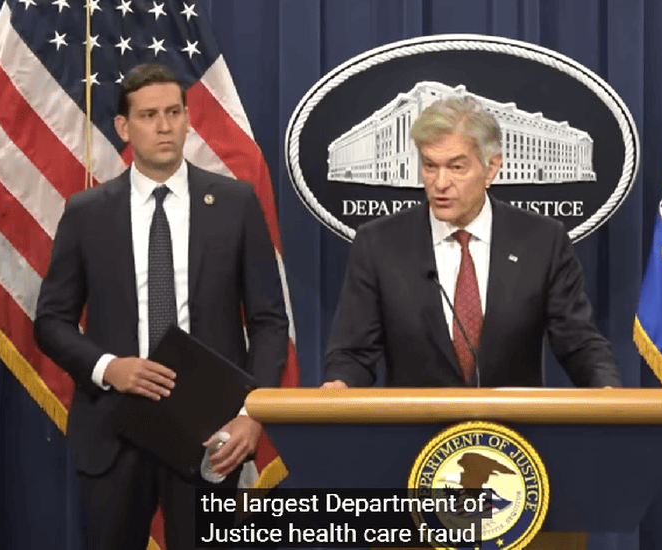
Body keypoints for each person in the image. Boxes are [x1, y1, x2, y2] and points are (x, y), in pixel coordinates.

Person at [33, 63, 288, 550]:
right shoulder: (87, 212)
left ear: (189, 118)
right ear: (124, 128)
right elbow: (51, 321)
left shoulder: (235, 203)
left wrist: (252, 414)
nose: (165, 125)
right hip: (114, 426)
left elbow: (270, 321)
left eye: (174, 112)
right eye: (149, 115)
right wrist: (110, 368)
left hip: (209, 432)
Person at [322, 96, 621, 388]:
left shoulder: (542, 240)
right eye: (429, 166)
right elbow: (353, 352)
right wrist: (339, 384)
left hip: (512, 433)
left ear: (490, 168)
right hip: (415, 432)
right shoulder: (379, 243)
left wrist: (605, 387)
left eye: (456, 167)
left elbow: (578, 341)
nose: (439, 183)